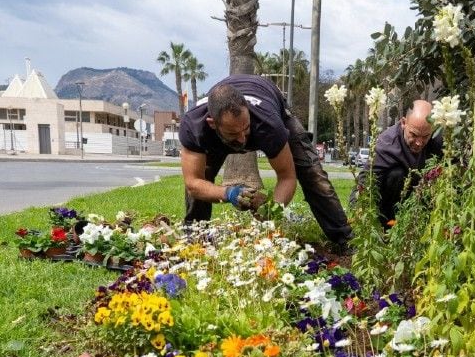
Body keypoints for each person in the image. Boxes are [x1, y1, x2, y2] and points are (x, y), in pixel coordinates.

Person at [178, 75, 352, 251]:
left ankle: (344, 239)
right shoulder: (194, 126)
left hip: (270, 101)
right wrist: (229, 193)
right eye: (233, 133)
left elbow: (287, 177)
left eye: (246, 128)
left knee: (311, 173)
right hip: (219, 127)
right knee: (203, 174)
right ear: (212, 124)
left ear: (248, 112)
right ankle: (195, 239)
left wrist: (270, 209)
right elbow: (193, 183)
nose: (242, 138)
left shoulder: (268, 123)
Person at [366, 100, 444, 227]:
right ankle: (388, 226)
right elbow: (366, 179)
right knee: (396, 174)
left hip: (422, 192)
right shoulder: (387, 143)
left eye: (425, 136)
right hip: (392, 197)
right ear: (403, 123)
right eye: (414, 134)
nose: (419, 142)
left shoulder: (438, 139)